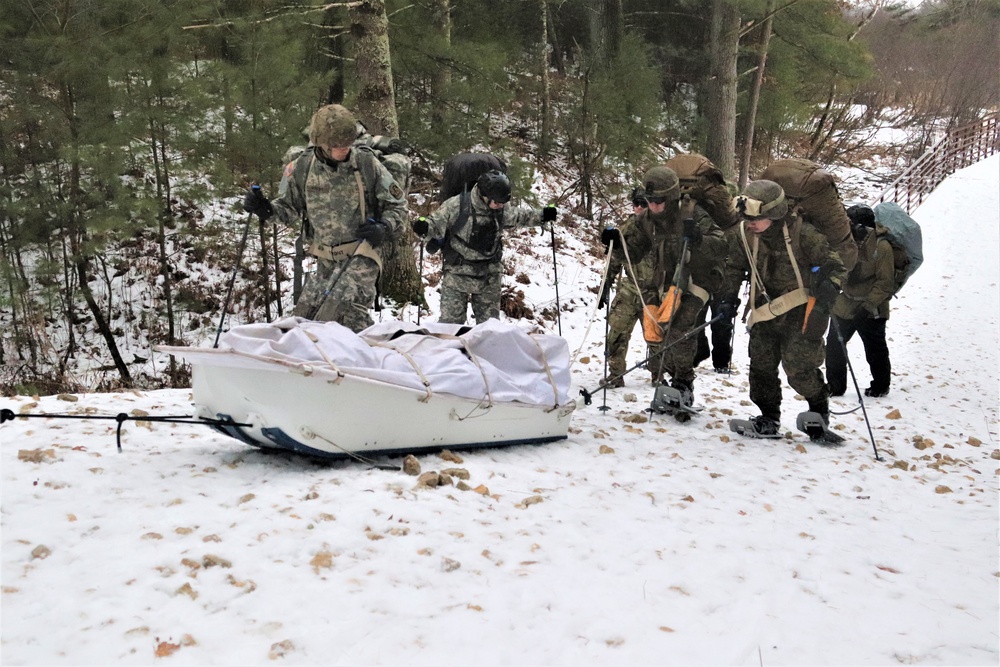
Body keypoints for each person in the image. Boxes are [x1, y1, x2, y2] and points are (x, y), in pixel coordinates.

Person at [242, 104, 407, 332]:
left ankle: (364, 363)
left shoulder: (367, 164)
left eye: (348, 144)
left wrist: (385, 227)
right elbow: (288, 209)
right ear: (321, 144)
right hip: (325, 260)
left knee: (344, 316)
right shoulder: (302, 166)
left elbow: (398, 207)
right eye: (337, 146)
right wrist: (265, 209)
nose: (344, 150)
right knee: (305, 322)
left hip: (362, 255)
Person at [719, 180, 847, 438]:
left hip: (802, 311)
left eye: (758, 218)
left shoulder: (804, 234)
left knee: (800, 369)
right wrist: (728, 297)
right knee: (761, 367)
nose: (752, 223)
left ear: (775, 214)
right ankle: (768, 417)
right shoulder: (745, 234)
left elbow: (836, 267)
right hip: (764, 311)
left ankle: (818, 412)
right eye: (748, 217)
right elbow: (734, 266)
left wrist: (830, 284)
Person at [610, 166, 727, 421]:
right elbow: (635, 252)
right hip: (667, 281)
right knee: (656, 329)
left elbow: (722, 244)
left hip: (698, 279)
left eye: (658, 201)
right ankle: (671, 378)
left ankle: (684, 384)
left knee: (679, 327)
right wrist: (617, 245)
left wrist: (698, 238)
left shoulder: (692, 213)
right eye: (649, 201)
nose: (653, 206)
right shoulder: (646, 221)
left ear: (671, 197)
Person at [411, 170, 557, 324]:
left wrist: (543, 215)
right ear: (484, 195)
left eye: (503, 203)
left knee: (490, 330)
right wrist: (423, 226)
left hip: (489, 274)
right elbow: (435, 224)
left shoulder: (500, 209)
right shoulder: (456, 205)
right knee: (450, 327)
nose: (500, 206)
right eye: (497, 202)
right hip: (457, 272)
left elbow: (519, 216)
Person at [825, 204, 895, 398]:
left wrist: (868, 307)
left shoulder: (882, 247)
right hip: (845, 302)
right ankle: (835, 385)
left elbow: (885, 282)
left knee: (875, 348)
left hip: (872, 307)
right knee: (833, 345)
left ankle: (881, 385)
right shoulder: (846, 244)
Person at [597, 187, 648, 388]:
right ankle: (616, 374)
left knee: (657, 337)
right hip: (629, 288)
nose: (639, 208)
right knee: (616, 333)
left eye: (643, 204)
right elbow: (614, 259)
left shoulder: (661, 229)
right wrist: (605, 287)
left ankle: (659, 375)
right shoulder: (625, 229)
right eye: (636, 203)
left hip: (654, 291)